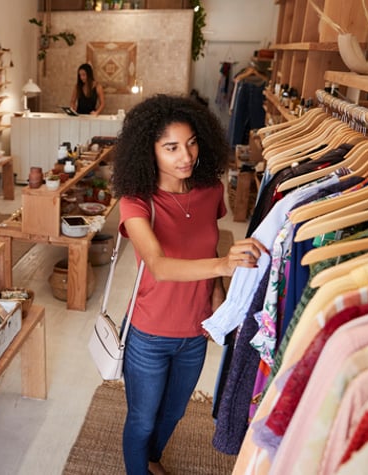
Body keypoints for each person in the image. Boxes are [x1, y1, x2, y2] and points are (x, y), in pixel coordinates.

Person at [111, 94, 267, 475]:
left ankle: (151, 459)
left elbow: (208, 242)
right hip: (149, 332)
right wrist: (224, 264)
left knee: (174, 413)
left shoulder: (210, 190)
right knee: (142, 419)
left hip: (195, 330)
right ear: (148, 150)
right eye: (171, 147)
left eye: (192, 142)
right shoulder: (136, 202)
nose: (186, 156)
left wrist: (218, 295)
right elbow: (160, 266)